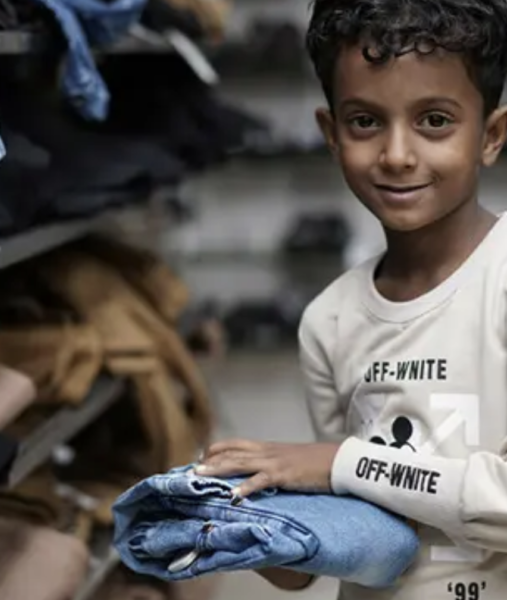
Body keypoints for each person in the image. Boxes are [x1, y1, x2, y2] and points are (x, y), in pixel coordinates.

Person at [193, 0, 507, 597]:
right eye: (365, 122)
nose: (396, 153)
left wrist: (339, 464)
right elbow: (344, 543)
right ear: (331, 135)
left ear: (491, 135)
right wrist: (247, 521)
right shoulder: (329, 321)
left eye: (434, 120)